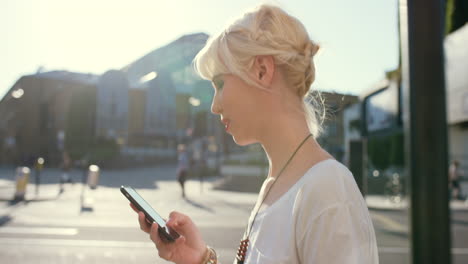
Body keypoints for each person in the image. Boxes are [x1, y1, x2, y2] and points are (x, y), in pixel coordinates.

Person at [130, 4, 379, 263]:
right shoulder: (275, 185)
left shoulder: (328, 189)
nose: (214, 106)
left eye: (220, 83)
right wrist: (200, 259)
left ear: (262, 70)